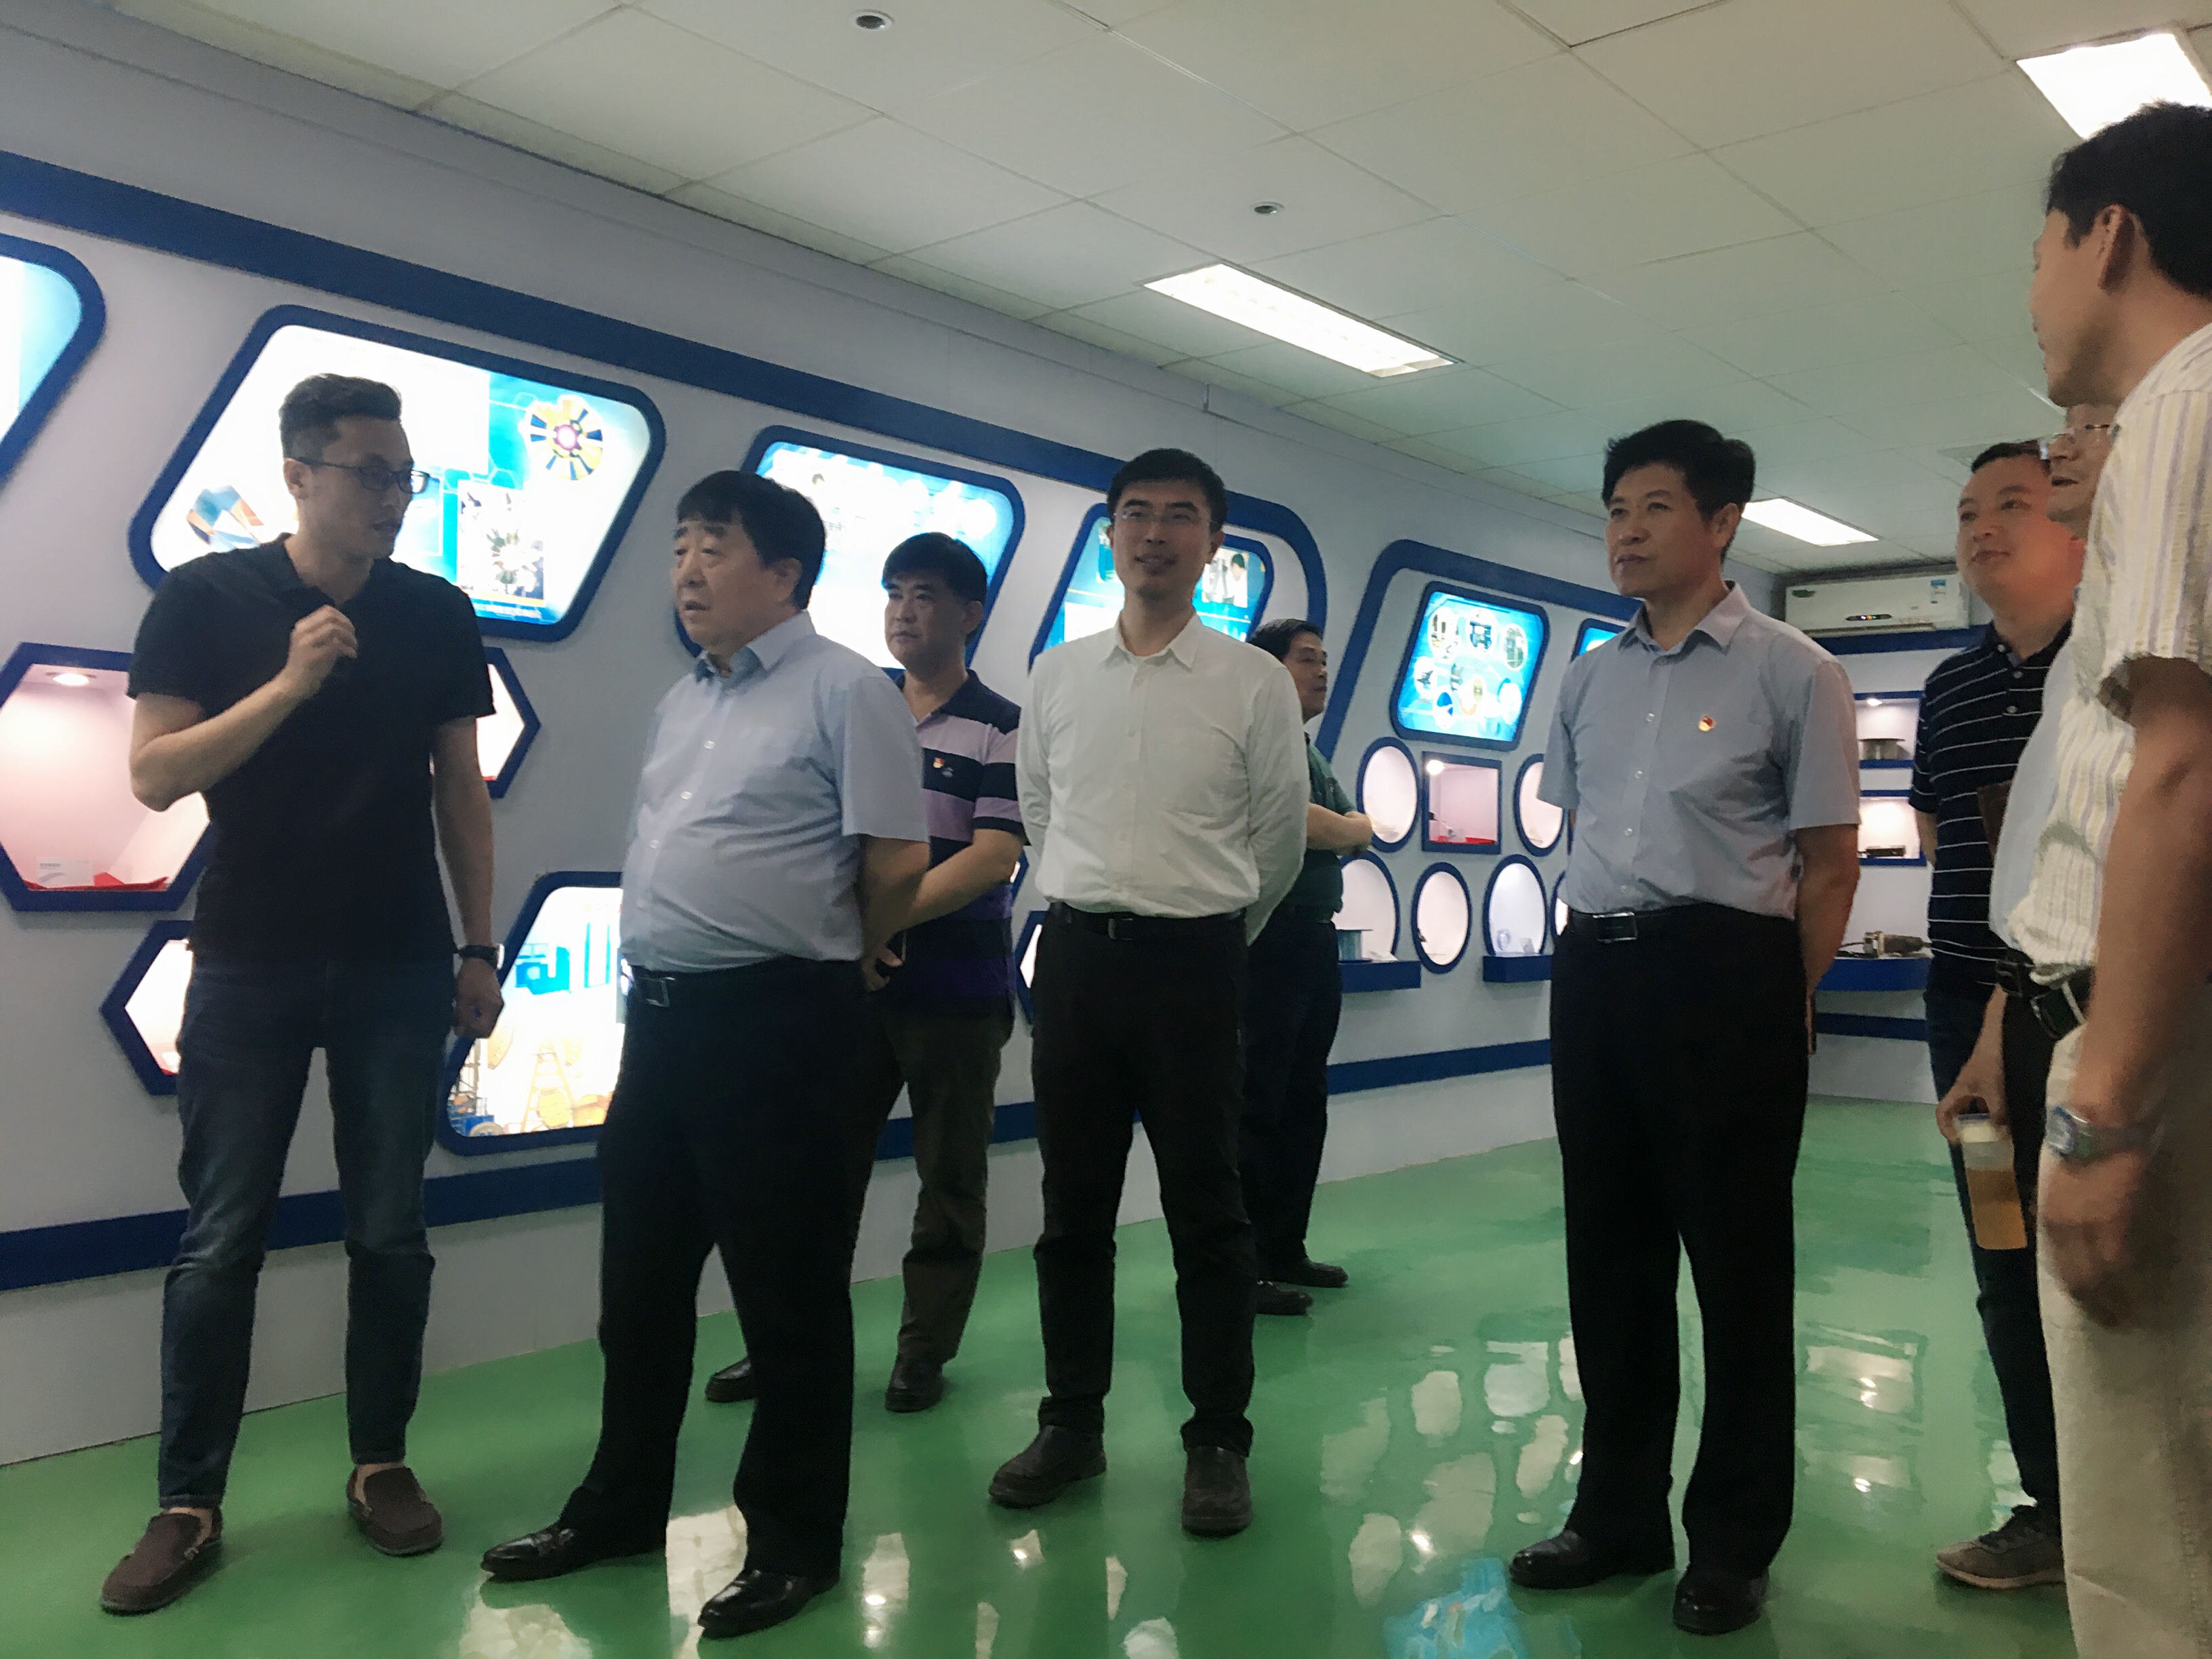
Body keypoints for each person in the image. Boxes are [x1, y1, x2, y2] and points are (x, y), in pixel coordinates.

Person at [480, 472, 928, 1641]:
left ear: (784, 572)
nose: (686, 569)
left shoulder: (847, 691)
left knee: (787, 1300)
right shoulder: (685, 698)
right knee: (637, 1289)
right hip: (665, 1025)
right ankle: (621, 1506)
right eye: (680, 546)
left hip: (781, 1022)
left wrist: (850, 954)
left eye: (712, 547)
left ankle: (792, 1540)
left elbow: (894, 860)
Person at [101, 375, 501, 1614]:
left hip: (397, 958)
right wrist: (286, 683)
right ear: (297, 475)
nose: (393, 496)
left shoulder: (435, 611)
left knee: (390, 1229)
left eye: (405, 476)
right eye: (370, 472)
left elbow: (459, 788)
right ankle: (188, 1501)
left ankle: (380, 1462)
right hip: (249, 959)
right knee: (221, 1238)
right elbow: (155, 776)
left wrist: (479, 946)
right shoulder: (205, 597)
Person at [1513, 419, 1860, 1637]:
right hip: (1595, 970)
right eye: (1615, 508)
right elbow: (1582, 829)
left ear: (1720, 523)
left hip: (1727, 976)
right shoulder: (1584, 679)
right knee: (1607, 1258)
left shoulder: (1793, 671)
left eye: (1654, 507)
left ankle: (1731, 1541)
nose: (1625, 531)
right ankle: (1615, 1516)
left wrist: (1777, 995)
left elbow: (1828, 862)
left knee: (1737, 1267)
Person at [991, 448, 1307, 1538]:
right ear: (1111, 535)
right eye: (1136, 514)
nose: (1155, 534)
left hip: (1195, 968)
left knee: (1209, 1213)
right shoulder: (1058, 675)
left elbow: (1277, 841)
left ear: (1213, 543)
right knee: (1071, 1213)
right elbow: (1040, 813)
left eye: (1180, 516)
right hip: (1078, 962)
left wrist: (1210, 934)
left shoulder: (1252, 683)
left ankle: (1217, 1439)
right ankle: (1071, 1424)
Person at [2006, 102, 2212, 1658]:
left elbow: (2182, 771)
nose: (2033, 293)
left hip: (2159, 1042)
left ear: (2110, 235)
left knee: (2157, 1537)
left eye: (2040, 248)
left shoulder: (2183, 410)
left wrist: (2105, 1113)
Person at [701, 533, 1023, 1415]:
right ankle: (787, 1346)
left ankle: (923, 1353)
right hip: (849, 989)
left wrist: (881, 919)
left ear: (970, 614)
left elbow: (993, 856)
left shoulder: (1001, 724)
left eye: (926, 595)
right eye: (894, 593)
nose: (903, 612)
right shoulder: (858, 705)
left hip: (956, 995)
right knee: (815, 1176)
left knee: (949, 1180)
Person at [1919, 430, 2110, 1593]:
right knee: (2004, 1253)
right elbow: (1943, 830)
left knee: (2107, 1254)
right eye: (1965, 510)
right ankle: (2052, 1505)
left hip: (2082, 1012)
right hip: (1967, 1019)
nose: (1981, 526)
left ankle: (2133, 1508)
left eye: (2012, 503)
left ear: (2075, 529)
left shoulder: (2111, 672)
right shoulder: (1948, 690)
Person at [1241, 619, 1370, 1316]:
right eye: (1307, 660)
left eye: (1324, 660)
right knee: (1257, 1100)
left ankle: (1284, 1247)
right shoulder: (1256, 743)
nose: (1322, 671)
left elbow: (1350, 825)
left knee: (1302, 1099)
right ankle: (1243, 1265)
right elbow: (1314, 825)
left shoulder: (1308, 750)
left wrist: (1343, 828)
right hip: (1269, 939)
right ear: (1267, 671)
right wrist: (1345, 829)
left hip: (1314, 941)